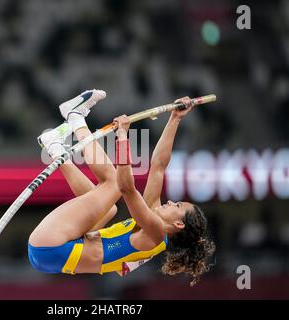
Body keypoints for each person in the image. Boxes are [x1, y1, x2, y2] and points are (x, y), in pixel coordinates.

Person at [28, 90, 215, 286]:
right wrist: (174, 119)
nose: (169, 202)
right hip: (51, 255)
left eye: (177, 206)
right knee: (109, 208)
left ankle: (75, 116)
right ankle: (55, 147)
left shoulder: (156, 233)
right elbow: (158, 167)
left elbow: (126, 188)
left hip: (52, 245)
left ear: (179, 224)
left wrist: (123, 136)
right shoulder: (153, 221)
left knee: (112, 184)